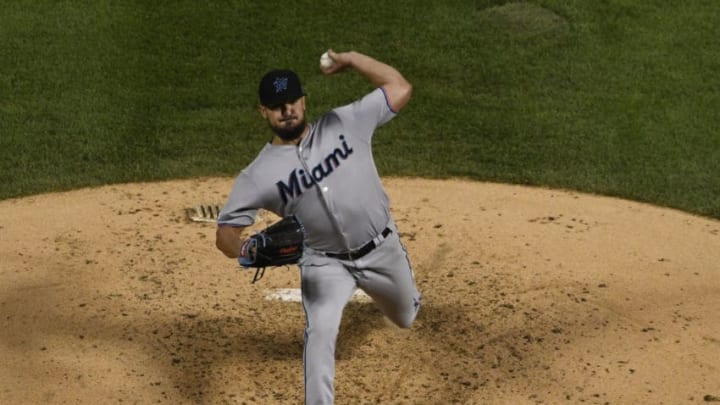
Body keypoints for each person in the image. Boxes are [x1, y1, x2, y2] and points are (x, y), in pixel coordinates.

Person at [215, 50, 422, 405]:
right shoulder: (257, 174)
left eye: (292, 100)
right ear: (263, 111)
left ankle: (394, 292)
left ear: (304, 101)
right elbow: (225, 234)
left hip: (382, 249)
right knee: (320, 332)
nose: (287, 110)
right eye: (277, 105)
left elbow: (399, 86)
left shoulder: (346, 122)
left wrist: (353, 59)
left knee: (405, 316)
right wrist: (246, 249)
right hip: (324, 264)